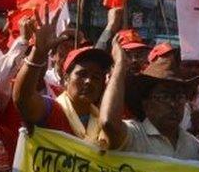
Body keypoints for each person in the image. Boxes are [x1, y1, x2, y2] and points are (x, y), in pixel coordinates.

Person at [101, 38, 199, 165]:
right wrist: (120, 64)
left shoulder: (193, 146)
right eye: (164, 97)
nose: (173, 104)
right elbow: (109, 123)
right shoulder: (134, 135)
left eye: (179, 97)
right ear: (146, 103)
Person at [13, 9, 122, 146]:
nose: (88, 81)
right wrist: (38, 53)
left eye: (96, 77)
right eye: (82, 74)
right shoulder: (51, 110)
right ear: (66, 79)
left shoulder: (103, 121)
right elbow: (23, 99)